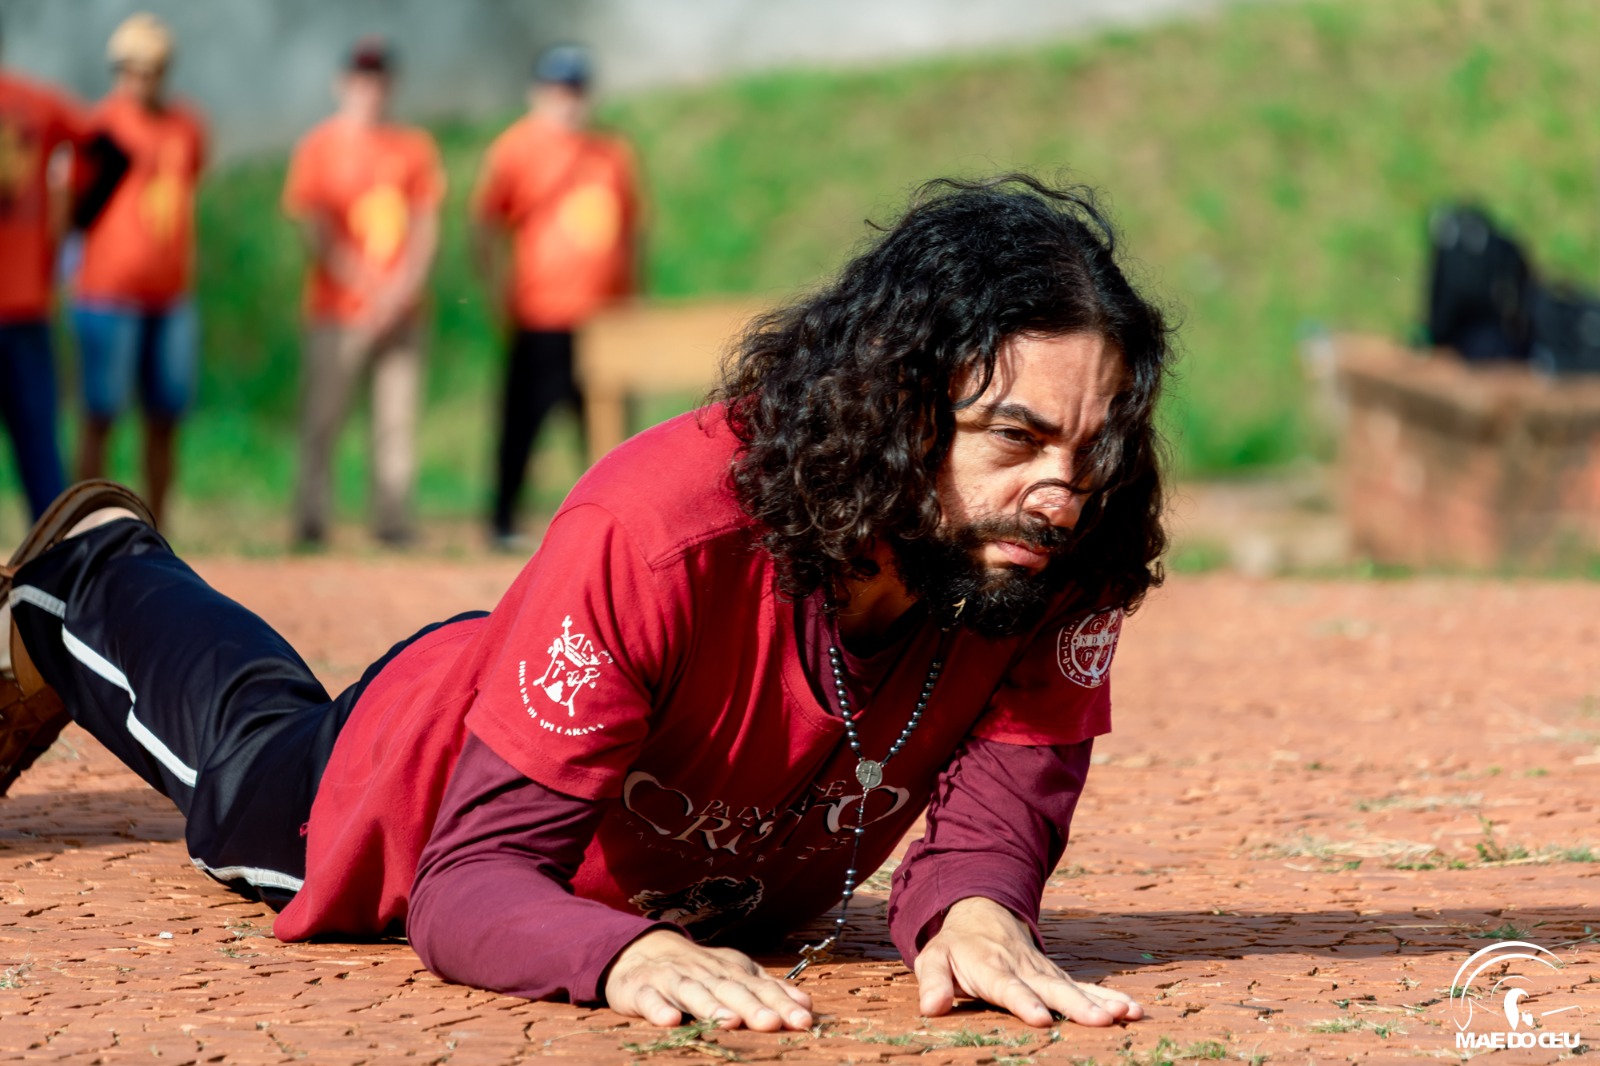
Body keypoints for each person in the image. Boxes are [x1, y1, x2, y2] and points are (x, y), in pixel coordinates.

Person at [0, 175, 1171, 1032]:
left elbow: (1004, 804)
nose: (1061, 490)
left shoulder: (1052, 545)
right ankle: (90, 574)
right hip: (404, 783)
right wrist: (622, 953)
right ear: (899, 404)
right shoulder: (662, 529)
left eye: (1091, 445)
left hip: (570, 696)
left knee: (267, 707)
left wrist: (977, 907)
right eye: (1014, 434)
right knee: (239, 749)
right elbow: (467, 881)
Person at [471, 44, 640, 548]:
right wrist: (495, 289)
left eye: (576, 89)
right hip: (541, 312)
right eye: (557, 89)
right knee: (523, 421)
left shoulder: (611, 154)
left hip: (603, 317)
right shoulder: (515, 149)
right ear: (538, 93)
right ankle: (502, 519)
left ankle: (609, 528)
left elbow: (631, 232)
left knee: (606, 431)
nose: (567, 100)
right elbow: (485, 224)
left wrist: (632, 299)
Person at [283, 37, 444, 548]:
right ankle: (311, 517)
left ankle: (392, 519)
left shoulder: (413, 147)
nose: (369, 88)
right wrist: (367, 286)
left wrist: (401, 289)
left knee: (395, 422)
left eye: (377, 78)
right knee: (323, 416)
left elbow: (426, 221)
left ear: (388, 85)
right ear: (343, 84)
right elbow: (316, 230)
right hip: (338, 308)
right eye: (360, 77)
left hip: (402, 308)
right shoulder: (319, 147)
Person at [70, 12, 206, 528]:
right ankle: (80, 530)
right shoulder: (100, 126)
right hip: (107, 292)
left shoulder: (186, 127)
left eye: (151, 69)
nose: (140, 80)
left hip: (170, 295)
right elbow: (77, 202)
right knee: (100, 414)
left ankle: (156, 526)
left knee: (164, 416)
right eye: (130, 69)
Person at [0, 16, 84, 525]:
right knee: (38, 448)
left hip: (27, 308)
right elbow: (106, 150)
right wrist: (72, 225)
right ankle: (55, 580)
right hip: (27, 304)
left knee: (40, 447)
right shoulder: (38, 100)